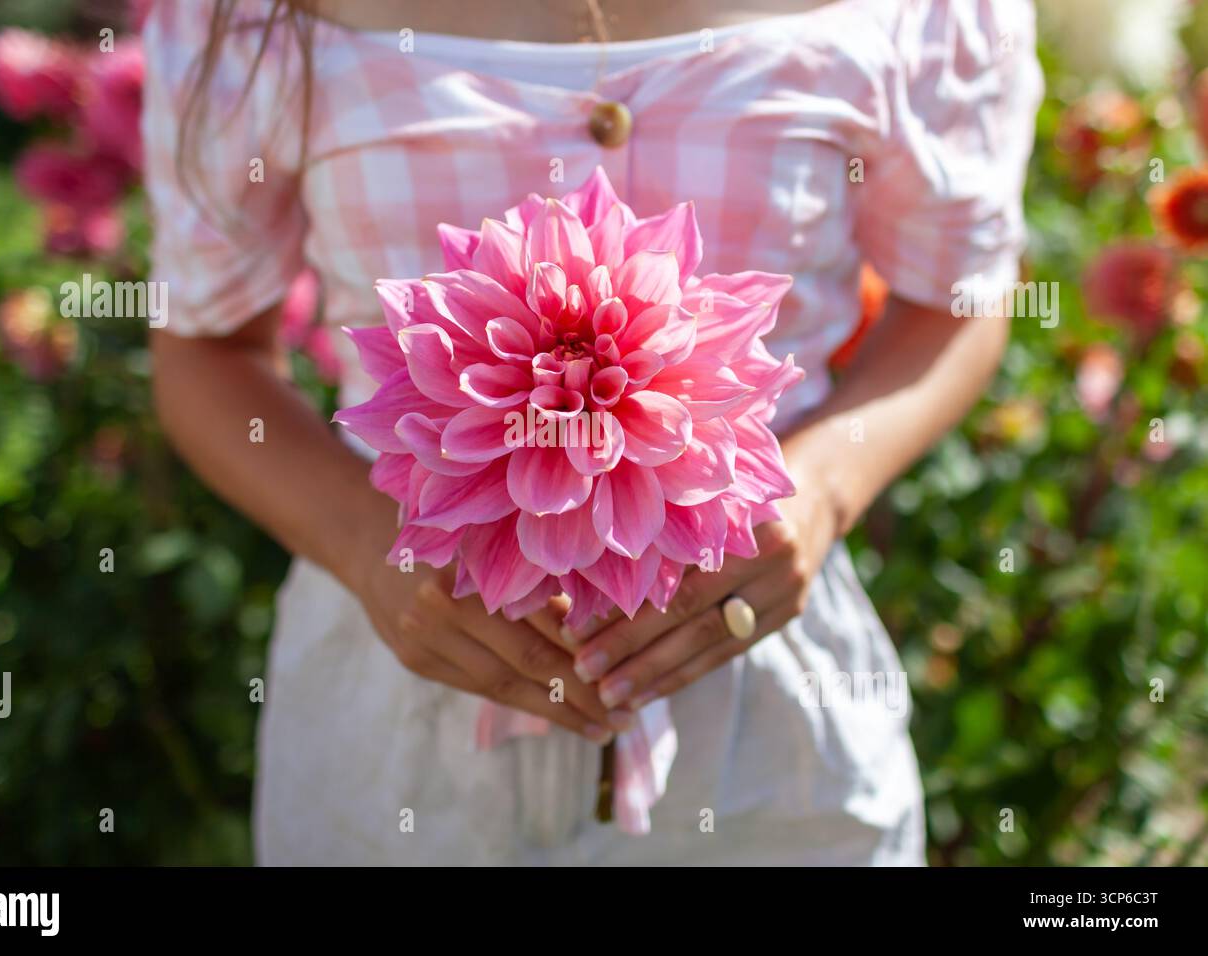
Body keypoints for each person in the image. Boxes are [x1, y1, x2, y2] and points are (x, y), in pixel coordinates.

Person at [144, 0, 1042, 864]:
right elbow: (205, 349)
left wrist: (817, 491)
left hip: (767, 744)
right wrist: (368, 547)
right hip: (397, 732)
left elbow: (958, 302)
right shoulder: (248, 16)